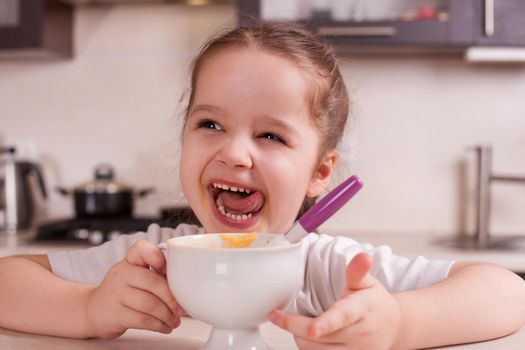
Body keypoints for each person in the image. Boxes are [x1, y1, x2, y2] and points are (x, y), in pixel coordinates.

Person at [1, 21, 525, 349]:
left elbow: (507, 293)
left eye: (271, 134)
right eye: (210, 125)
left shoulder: (326, 268)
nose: (233, 152)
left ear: (320, 172)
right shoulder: (154, 260)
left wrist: (398, 325)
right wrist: (90, 308)